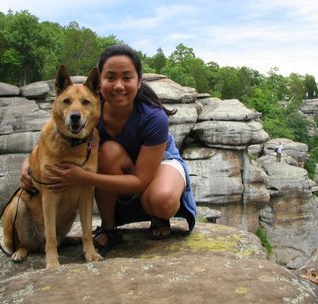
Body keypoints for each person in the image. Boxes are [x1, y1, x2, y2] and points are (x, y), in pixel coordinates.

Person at [20, 44, 197, 256]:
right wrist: (29, 163)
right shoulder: (89, 103)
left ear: (139, 82)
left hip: (158, 164)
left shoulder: (154, 117)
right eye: (111, 77)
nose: (118, 86)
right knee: (107, 151)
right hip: (119, 164)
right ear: (100, 82)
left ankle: (158, 216)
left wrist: (83, 177)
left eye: (127, 78)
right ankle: (109, 228)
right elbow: (54, 132)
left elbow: (140, 180)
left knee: (162, 200)